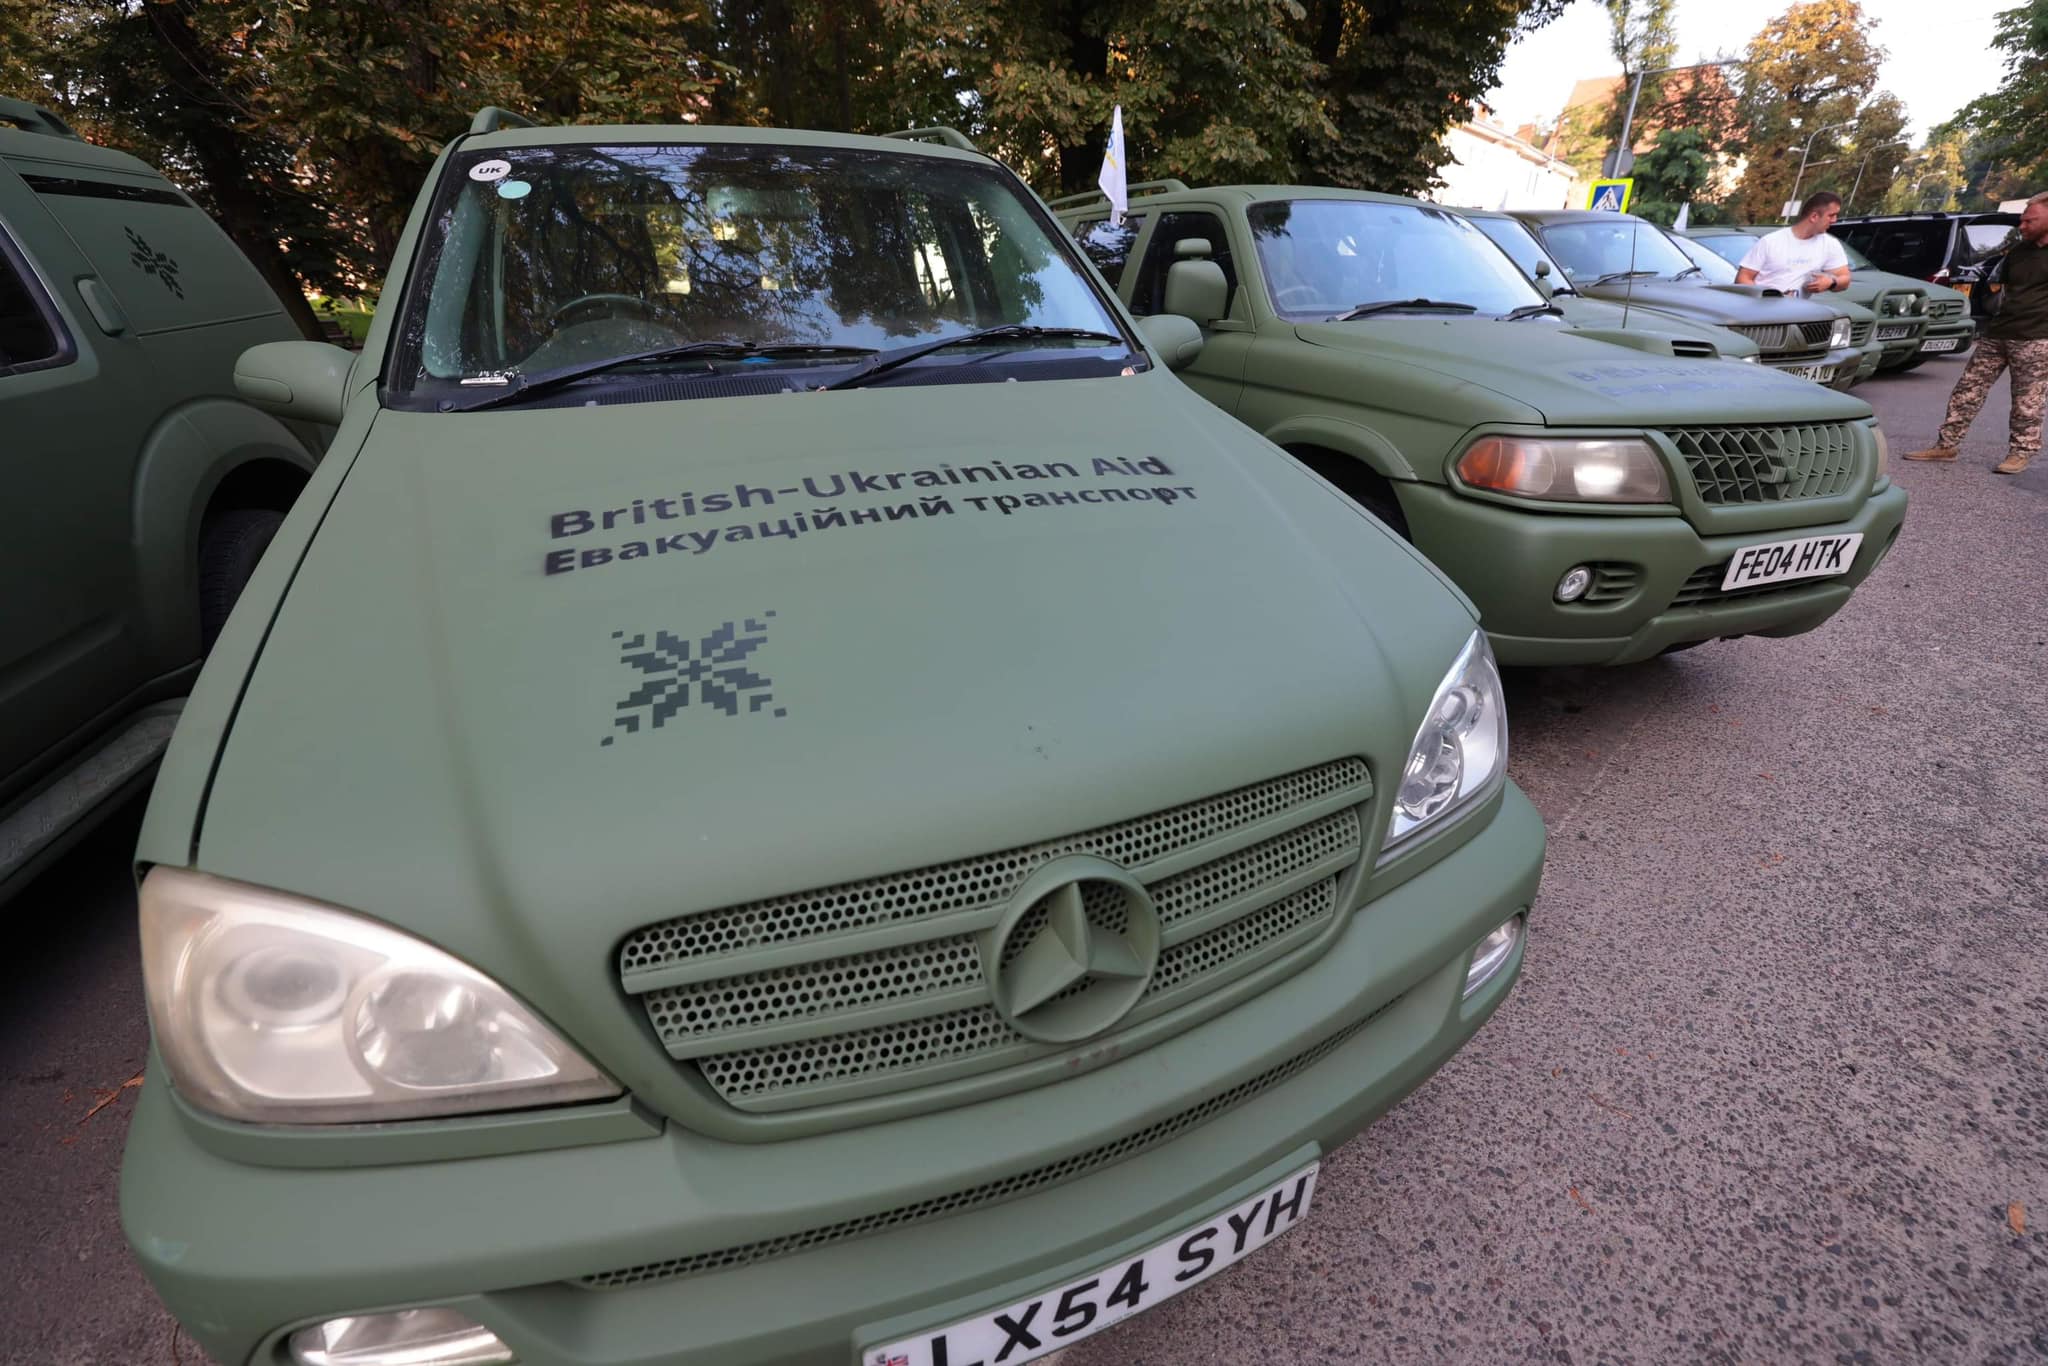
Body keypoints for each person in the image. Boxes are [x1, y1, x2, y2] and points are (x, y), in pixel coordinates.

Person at [1905, 189, 2048, 475]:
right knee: (1968, 390)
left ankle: (2020, 452)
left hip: (2036, 337)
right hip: (1999, 332)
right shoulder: (2019, 252)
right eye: (2022, 220)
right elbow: (2000, 287)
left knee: (2027, 400)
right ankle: (1946, 445)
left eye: (2029, 221)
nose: (2022, 226)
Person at [1736, 191, 1851, 295]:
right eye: (1831, 215)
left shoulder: (1829, 244)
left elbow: (1845, 278)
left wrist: (1831, 282)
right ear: (1814, 217)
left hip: (1796, 310)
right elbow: (1743, 278)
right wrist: (1766, 298)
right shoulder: (1771, 241)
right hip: (1761, 308)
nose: (1834, 220)